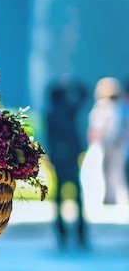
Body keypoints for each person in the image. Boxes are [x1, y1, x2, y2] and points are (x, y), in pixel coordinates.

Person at [44, 79, 88, 248]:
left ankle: (62, 232)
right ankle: (80, 233)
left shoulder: (50, 113)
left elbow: (49, 138)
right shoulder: (69, 109)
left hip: (59, 158)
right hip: (70, 158)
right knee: (77, 196)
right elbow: (84, 93)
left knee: (59, 197)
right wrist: (72, 84)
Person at [87, 77, 129, 205]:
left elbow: (99, 127)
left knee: (108, 169)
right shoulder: (121, 106)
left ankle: (110, 196)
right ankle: (111, 196)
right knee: (115, 170)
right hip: (117, 144)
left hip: (109, 144)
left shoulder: (104, 106)